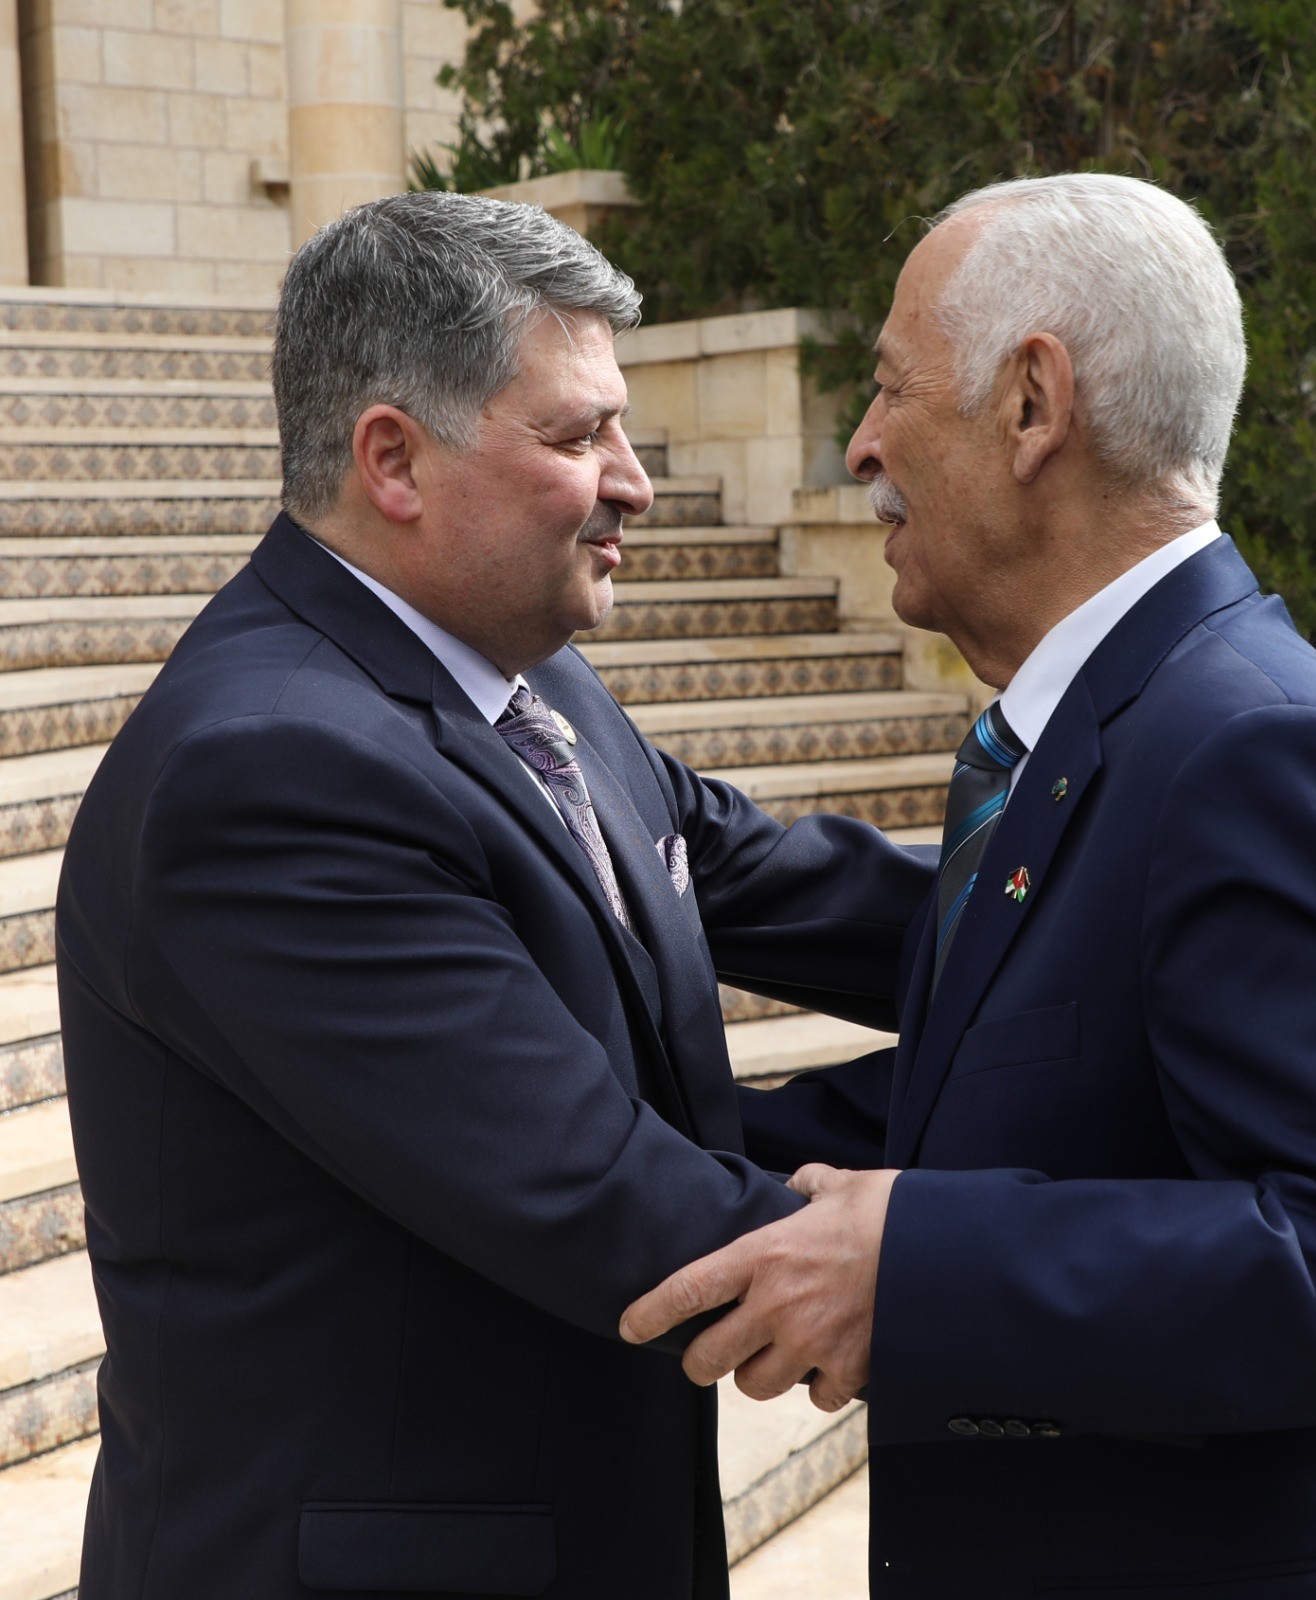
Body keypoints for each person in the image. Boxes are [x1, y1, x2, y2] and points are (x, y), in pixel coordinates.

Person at [54, 192, 932, 1600]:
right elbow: (598, 1188)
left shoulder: (523, 676)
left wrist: (1102, 913)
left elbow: (778, 883)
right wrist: (979, 1259)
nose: (636, 482)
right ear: (393, 461)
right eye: (580, 437)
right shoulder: (266, 772)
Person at [623, 173, 1316, 1599]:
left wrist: (917, 1268)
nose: (862, 443)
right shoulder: (1095, 728)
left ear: (1032, 405)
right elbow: (1006, 1102)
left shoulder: (1249, 744)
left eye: (890, 387)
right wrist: (616, 1133)